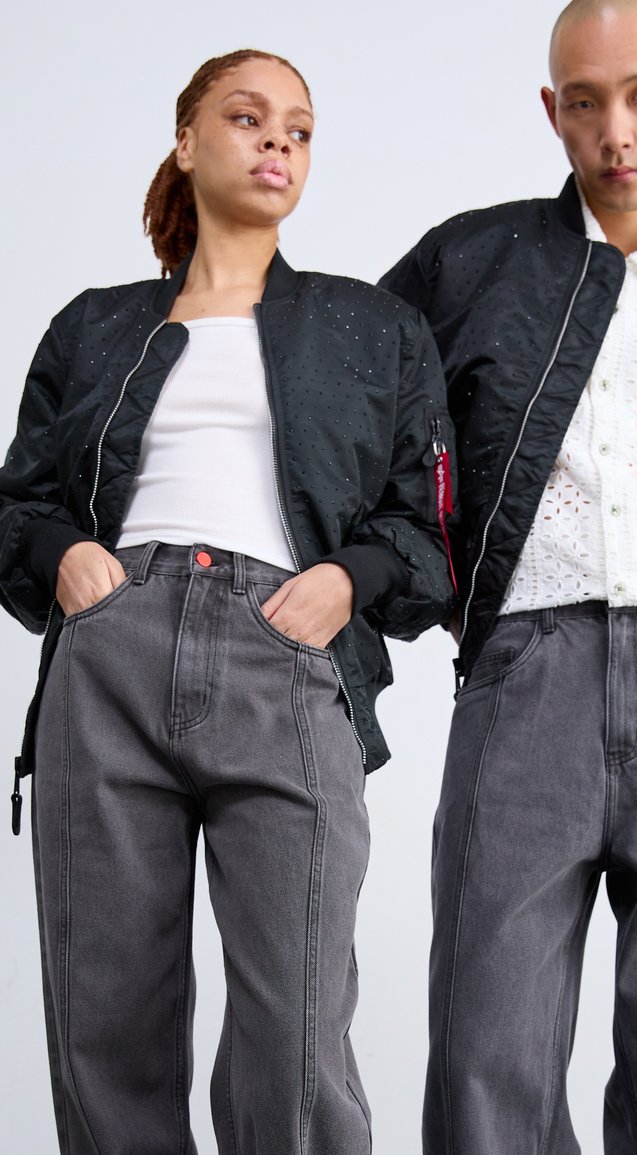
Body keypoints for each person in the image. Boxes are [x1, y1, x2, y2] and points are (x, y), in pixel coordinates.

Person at [0, 48, 455, 1155]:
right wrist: (67, 559)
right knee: (106, 1032)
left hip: (286, 655)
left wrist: (346, 582)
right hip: (109, 655)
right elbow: (17, 503)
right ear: (186, 140)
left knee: (294, 1042)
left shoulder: (372, 329)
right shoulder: (93, 325)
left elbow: (429, 528)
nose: (277, 143)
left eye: (298, 129)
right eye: (248, 119)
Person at [381, 1, 637, 1151]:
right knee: (485, 1050)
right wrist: (434, 582)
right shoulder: (466, 262)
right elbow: (353, 416)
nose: (616, 129)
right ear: (550, 111)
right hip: (526, 666)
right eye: (584, 101)